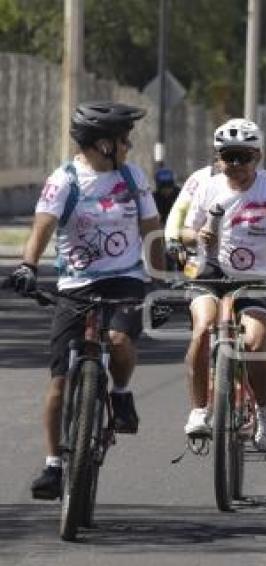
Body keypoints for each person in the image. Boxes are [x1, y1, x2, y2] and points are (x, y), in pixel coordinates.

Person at [4, 101, 164, 499]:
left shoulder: (133, 177)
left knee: (121, 341)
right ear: (104, 144)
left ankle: (121, 393)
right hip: (76, 286)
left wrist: (163, 280)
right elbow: (43, 227)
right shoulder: (66, 179)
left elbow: (151, 230)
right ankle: (54, 465)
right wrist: (27, 264)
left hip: (125, 278)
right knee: (58, 384)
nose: (129, 145)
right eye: (124, 139)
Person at [179, 118, 266, 453]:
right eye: (228, 156)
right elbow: (185, 232)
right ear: (218, 157)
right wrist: (199, 235)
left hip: (256, 279)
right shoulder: (208, 187)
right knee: (203, 327)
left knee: (257, 339)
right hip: (210, 274)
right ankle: (199, 410)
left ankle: (263, 411)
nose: (235, 165)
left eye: (244, 157)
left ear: (258, 156)